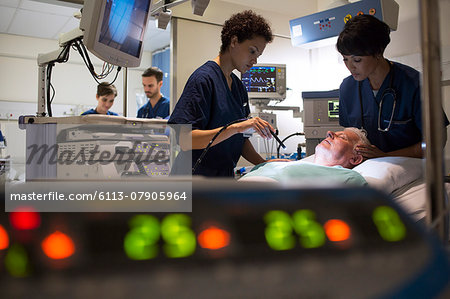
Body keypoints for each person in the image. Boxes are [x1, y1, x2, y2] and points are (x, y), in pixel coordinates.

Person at [168, 10, 279, 177]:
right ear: (234, 41)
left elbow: (240, 141)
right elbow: (185, 140)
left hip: (222, 179)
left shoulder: (239, 88)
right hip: (193, 181)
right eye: (252, 51)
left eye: (259, 55)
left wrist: (265, 165)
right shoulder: (203, 79)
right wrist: (235, 127)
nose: (255, 60)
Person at [336, 15, 449, 159]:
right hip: (367, 169)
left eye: (357, 60)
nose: (350, 66)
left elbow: (436, 141)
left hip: (409, 169)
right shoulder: (347, 87)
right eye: (345, 59)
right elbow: (350, 132)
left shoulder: (415, 85)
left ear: (378, 52)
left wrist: (386, 156)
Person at [241, 128, 369, 186]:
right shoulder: (284, 163)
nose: (329, 133)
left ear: (355, 158)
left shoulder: (349, 178)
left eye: (341, 137)